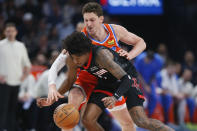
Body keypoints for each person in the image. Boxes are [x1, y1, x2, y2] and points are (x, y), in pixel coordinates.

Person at [62, 32, 174, 131]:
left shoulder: (101, 56)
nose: (75, 61)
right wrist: (53, 96)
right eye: (73, 57)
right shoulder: (75, 59)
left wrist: (114, 97)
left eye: (78, 57)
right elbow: (69, 80)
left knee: (140, 121)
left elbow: (126, 79)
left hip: (127, 76)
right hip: (107, 81)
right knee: (87, 120)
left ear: (86, 52)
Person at [0, 22, 31, 130]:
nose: (10, 33)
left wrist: (25, 74)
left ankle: (10, 128)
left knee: (13, 109)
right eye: (8, 31)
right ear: (5, 32)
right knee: (2, 108)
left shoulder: (21, 46)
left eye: (12, 31)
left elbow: (26, 63)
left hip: (17, 82)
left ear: (16, 32)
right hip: (3, 82)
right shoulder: (1, 45)